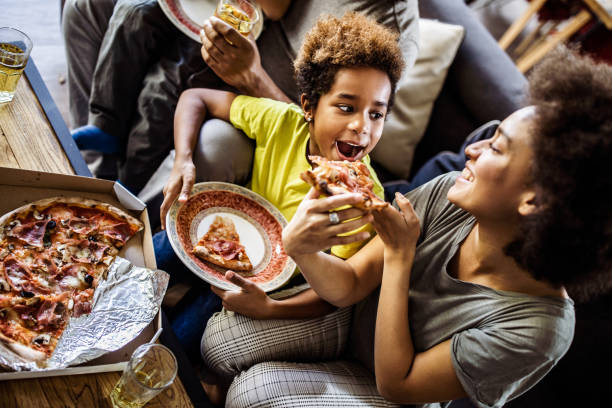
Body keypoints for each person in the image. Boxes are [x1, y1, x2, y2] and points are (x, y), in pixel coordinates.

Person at [200, 46, 612, 407]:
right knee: (217, 341)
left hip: (389, 390)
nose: (471, 149)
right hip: (351, 319)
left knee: (253, 393)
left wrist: (400, 256)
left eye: (497, 146)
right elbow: (350, 284)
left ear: (535, 200)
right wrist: (301, 247)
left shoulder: (538, 330)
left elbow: (398, 384)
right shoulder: (451, 191)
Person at [158, 11, 408, 360]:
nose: (361, 126)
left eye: (376, 113)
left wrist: (268, 309)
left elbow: (330, 296)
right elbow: (195, 98)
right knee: (137, 262)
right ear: (308, 106)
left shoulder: (363, 200)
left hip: (263, 285)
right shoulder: (283, 121)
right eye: (346, 106)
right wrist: (183, 160)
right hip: (221, 228)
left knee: (173, 345)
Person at [61, 0, 419, 194]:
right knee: (93, 7)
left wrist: (251, 76)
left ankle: (125, 193)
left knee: (167, 84)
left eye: (375, 117)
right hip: (239, 27)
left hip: (269, 87)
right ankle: (96, 154)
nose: (365, 125)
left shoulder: (384, 29)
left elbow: (319, 121)